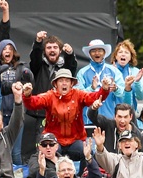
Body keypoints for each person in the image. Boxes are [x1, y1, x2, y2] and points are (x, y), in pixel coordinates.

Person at [23, 69, 110, 161]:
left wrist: (104, 89)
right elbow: (33, 104)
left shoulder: (78, 95)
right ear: (55, 84)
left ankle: (84, 175)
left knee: (88, 153)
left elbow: (94, 98)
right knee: (48, 152)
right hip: (55, 140)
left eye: (67, 81)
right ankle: (51, 175)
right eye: (61, 81)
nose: (64, 83)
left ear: (71, 84)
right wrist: (27, 96)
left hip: (75, 140)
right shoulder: (49, 96)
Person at [27, 31, 77, 159]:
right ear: (44, 51)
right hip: (41, 114)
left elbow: (72, 68)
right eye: (49, 47)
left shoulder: (64, 67)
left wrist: (70, 55)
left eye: (55, 47)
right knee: (42, 146)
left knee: (59, 146)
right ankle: (42, 171)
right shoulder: (38, 66)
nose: (52, 50)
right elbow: (34, 58)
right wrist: (38, 42)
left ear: (60, 51)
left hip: (61, 114)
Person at [76, 39, 124, 124]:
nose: (97, 53)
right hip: (88, 119)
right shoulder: (82, 72)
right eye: (93, 51)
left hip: (110, 118)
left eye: (100, 50)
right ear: (89, 54)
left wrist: (115, 88)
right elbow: (78, 96)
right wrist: (91, 88)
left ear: (104, 53)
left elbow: (122, 93)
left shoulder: (114, 71)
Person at [112, 39, 143, 111]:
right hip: (111, 114)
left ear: (131, 57)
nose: (123, 54)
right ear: (116, 56)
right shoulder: (108, 70)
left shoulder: (136, 72)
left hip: (130, 114)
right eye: (120, 52)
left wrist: (137, 82)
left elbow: (142, 97)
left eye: (126, 52)